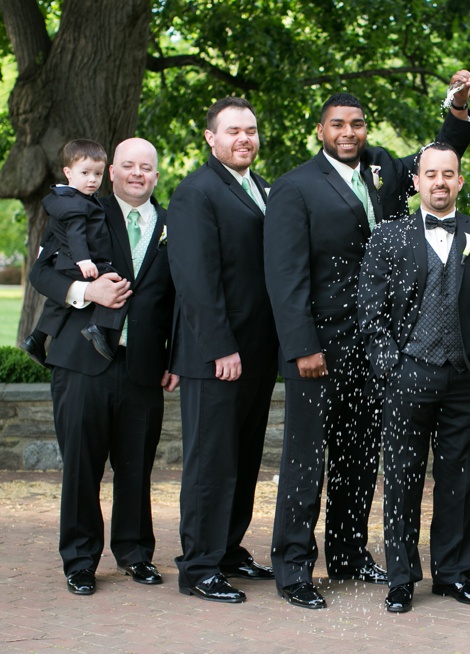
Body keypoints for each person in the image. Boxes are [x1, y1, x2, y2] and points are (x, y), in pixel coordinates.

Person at [263, 72, 470, 610]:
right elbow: (284, 274)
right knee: (306, 458)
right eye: (338, 124)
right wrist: (302, 345)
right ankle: (293, 567)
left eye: (357, 124)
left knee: (359, 455)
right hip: (320, 345)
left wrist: (456, 108)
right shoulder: (296, 186)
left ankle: (347, 552)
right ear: (320, 131)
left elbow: (440, 157)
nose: (349, 132)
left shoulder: (383, 169)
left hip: (375, 344)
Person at [358, 142, 470, 613]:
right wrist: (391, 366)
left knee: (460, 482)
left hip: (466, 381)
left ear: (460, 181)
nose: (440, 182)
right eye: (431, 174)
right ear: (416, 182)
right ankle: (401, 578)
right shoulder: (389, 236)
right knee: (401, 480)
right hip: (408, 376)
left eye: (449, 174)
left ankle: (453, 574)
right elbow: (370, 313)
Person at [29, 137, 177, 595]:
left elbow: (182, 300)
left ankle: (134, 553)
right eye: (128, 166)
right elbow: (41, 273)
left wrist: (176, 359)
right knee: (82, 467)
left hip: (144, 367)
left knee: (136, 468)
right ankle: (79, 560)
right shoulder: (80, 209)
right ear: (111, 171)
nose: (137, 174)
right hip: (82, 362)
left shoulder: (174, 224)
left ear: (156, 174)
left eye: (146, 167)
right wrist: (86, 293)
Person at [168, 97, 279, 604]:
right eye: (233, 130)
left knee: (243, 458)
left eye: (251, 130)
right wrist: (220, 348)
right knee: (211, 461)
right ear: (210, 137)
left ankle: (229, 549)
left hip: (256, 353)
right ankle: (198, 565)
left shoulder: (258, 188)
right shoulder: (196, 192)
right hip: (217, 356)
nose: (244, 138)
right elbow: (195, 280)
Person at [22, 139, 128, 364]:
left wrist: (44, 248)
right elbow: (76, 235)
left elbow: (52, 231)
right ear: (68, 173)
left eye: (98, 174)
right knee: (118, 282)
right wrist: (84, 261)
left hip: (67, 262)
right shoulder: (76, 205)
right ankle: (98, 326)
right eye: (86, 173)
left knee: (58, 300)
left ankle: (37, 338)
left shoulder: (68, 199)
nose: (92, 179)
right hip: (80, 261)